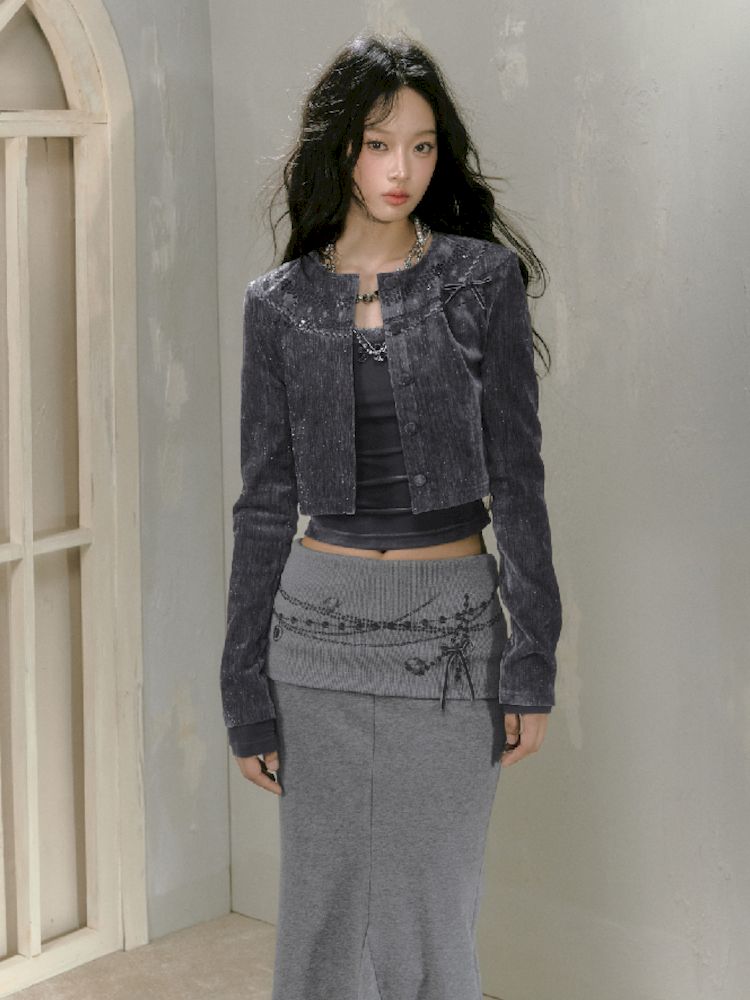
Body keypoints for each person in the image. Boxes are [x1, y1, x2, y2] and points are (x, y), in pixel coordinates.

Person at [219, 30, 562, 1000]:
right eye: (378, 145)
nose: (400, 170)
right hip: (314, 639)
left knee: (433, 911)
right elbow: (263, 505)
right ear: (341, 151)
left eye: (420, 146)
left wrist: (532, 658)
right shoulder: (278, 305)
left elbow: (520, 484)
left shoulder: (479, 283)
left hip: (449, 638)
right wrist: (242, 685)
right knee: (324, 916)